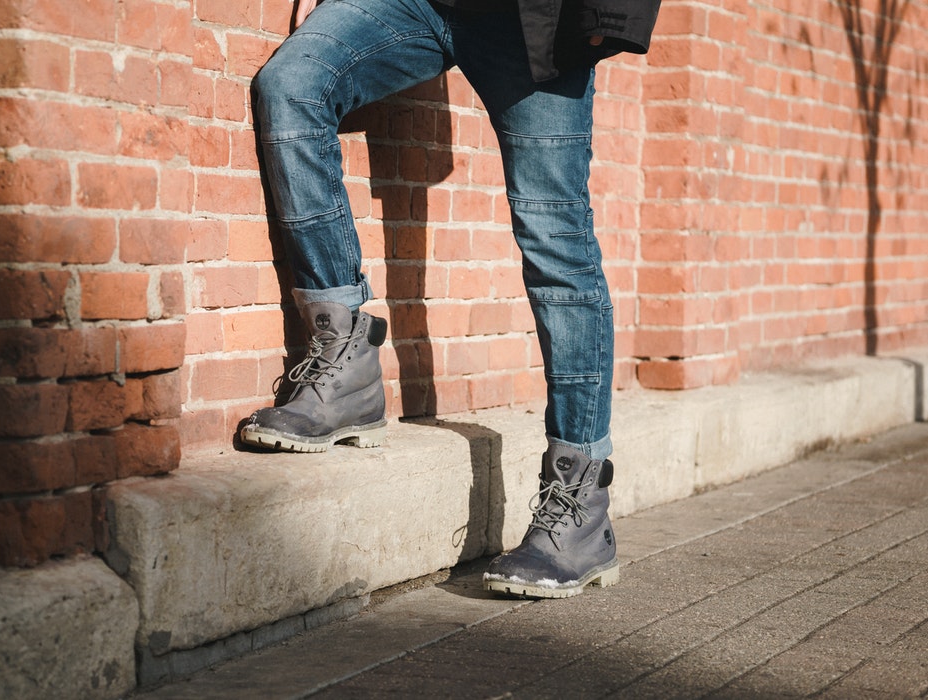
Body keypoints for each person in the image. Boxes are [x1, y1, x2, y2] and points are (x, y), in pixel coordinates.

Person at [240, 0, 661, 599]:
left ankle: (579, 507)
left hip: (534, 19)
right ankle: (345, 365)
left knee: (555, 242)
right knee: (292, 85)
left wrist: (613, 14)